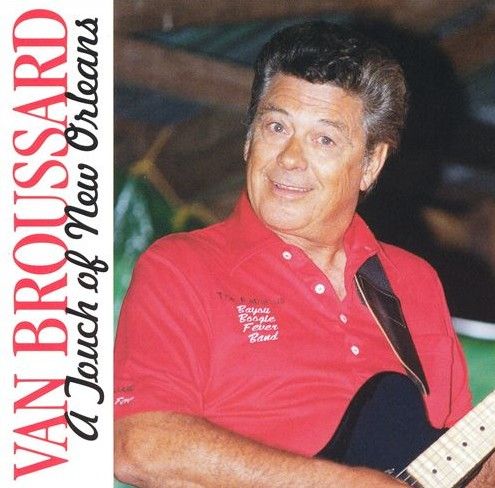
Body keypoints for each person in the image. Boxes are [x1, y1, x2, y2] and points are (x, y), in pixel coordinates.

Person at [114, 21, 493, 487]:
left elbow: (455, 467)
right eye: (276, 127)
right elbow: (139, 444)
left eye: (324, 139)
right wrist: (345, 484)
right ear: (249, 139)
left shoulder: (415, 282)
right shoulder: (180, 266)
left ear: (371, 164)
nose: (290, 158)